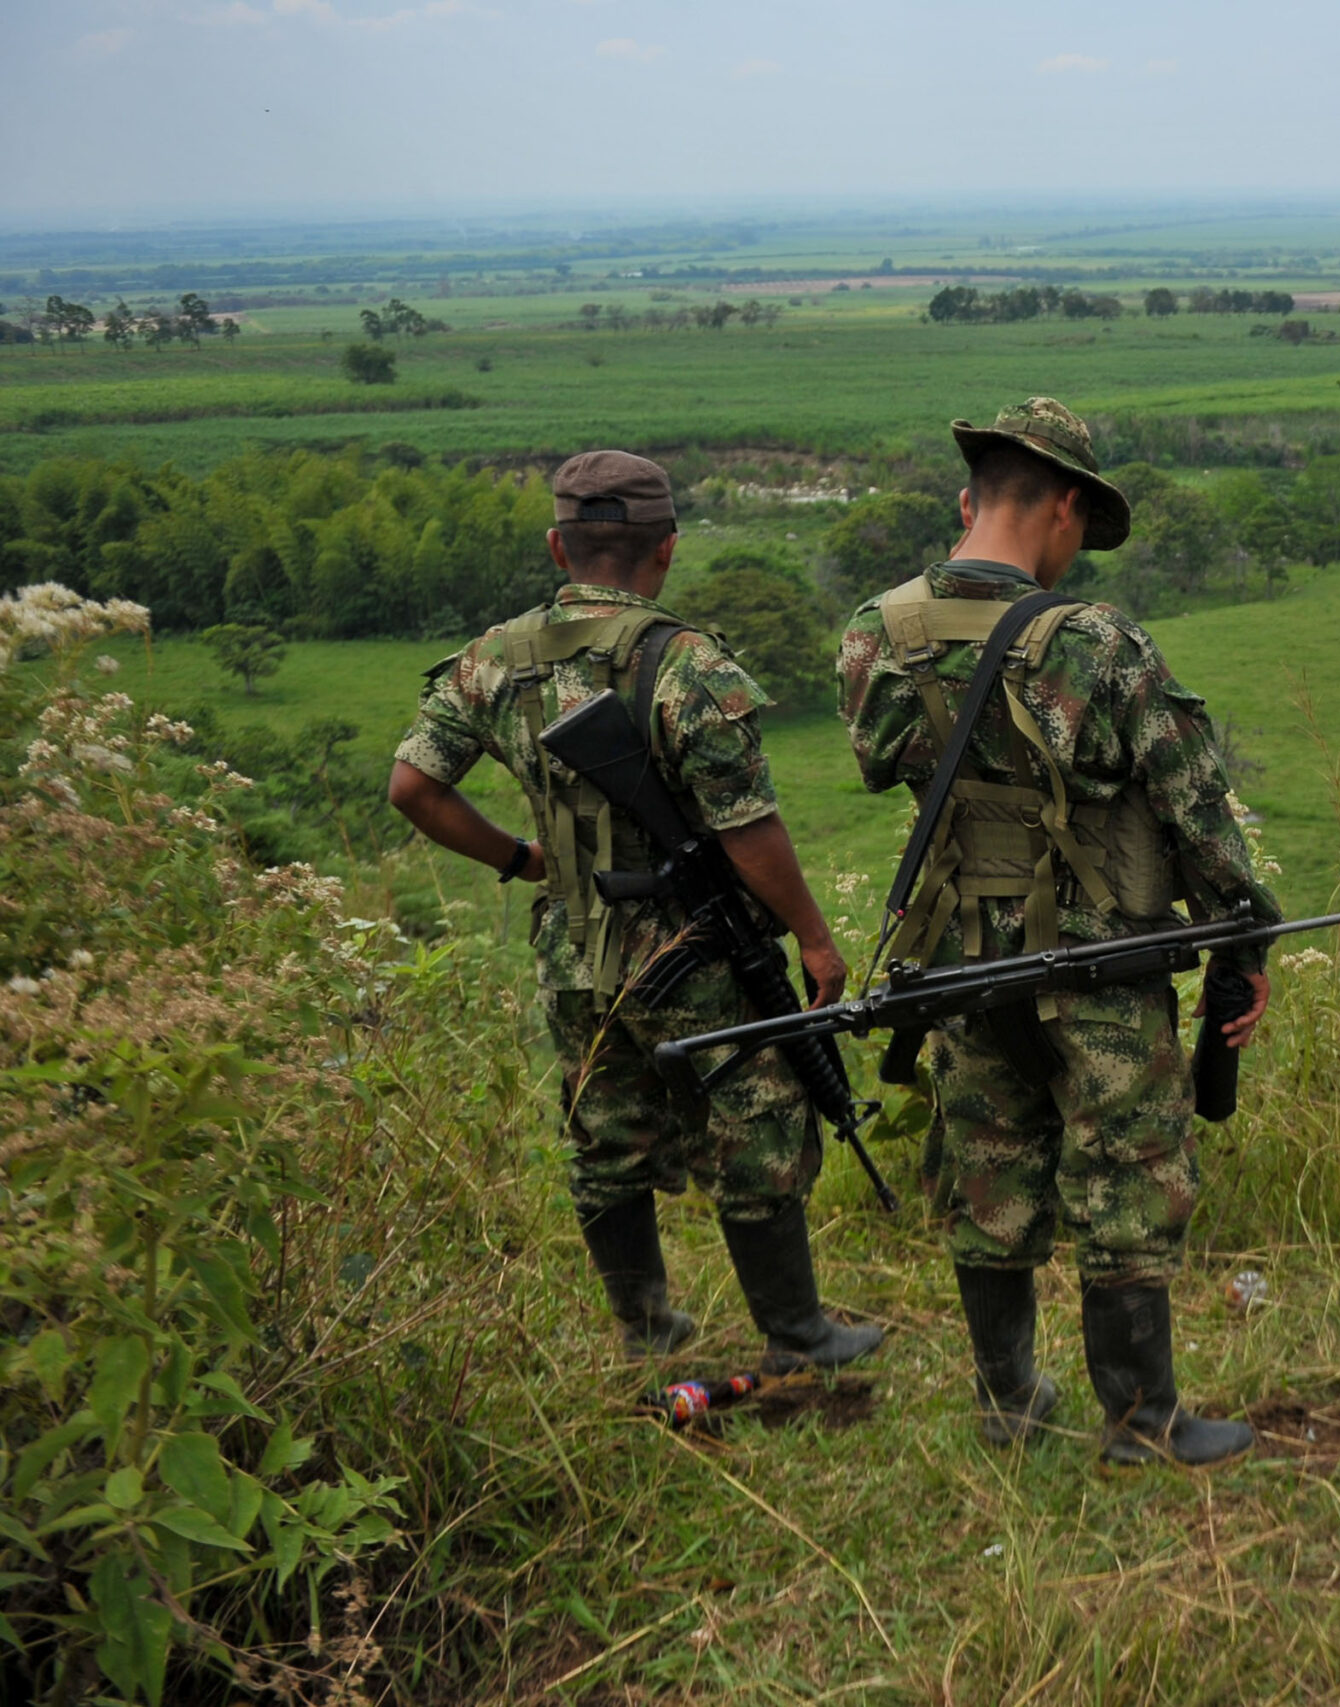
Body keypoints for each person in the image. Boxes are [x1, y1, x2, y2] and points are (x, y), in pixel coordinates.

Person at [837, 398, 1278, 1466]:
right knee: (1125, 1174)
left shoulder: (873, 636)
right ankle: (1139, 1421)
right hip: (1099, 961)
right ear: (1066, 508)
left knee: (988, 1168)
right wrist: (1243, 939)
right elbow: (1199, 816)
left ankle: (1008, 1404)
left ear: (967, 500)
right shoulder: (1098, 646)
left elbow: (890, 768)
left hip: (957, 962)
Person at [388, 449, 879, 1374]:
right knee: (759, 1116)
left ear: (556, 545)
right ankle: (797, 1333)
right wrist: (814, 937)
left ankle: (646, 1333)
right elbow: (749, 830)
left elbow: (412, 786)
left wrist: (523, 859)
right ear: (666, 551)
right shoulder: (686, 662)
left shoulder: (493, 657)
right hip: (691, 945)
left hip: (573, 944)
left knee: (603, 1132)